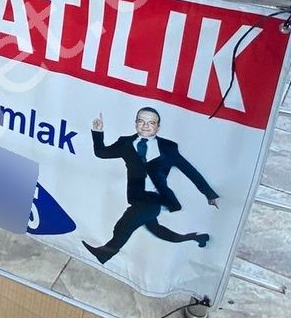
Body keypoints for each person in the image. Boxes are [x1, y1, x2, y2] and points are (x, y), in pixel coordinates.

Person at [81, 107, 218, 264]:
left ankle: (105, 253)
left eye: (151, 122)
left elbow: (189, 171)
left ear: (158, 127)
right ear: (135, 124)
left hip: (154, 199)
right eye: (141, 121)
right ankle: (196, 237)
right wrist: (97, 132)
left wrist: (209, 194)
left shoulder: (168, 147)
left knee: (123, 225)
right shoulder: (125, 143)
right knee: (158, 230)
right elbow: (101, 153)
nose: (145, 126)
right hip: (136, 197)